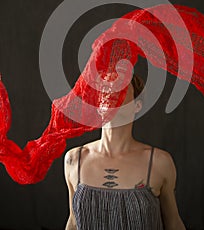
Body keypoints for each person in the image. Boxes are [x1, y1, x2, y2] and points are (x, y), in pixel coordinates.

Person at [64, 73, 186, 230]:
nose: (111, 90)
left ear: (137, 105)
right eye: (105, 89)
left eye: (119, 88)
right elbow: (73, 222)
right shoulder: (74, 159)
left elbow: (173, 223)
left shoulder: (159, 162)